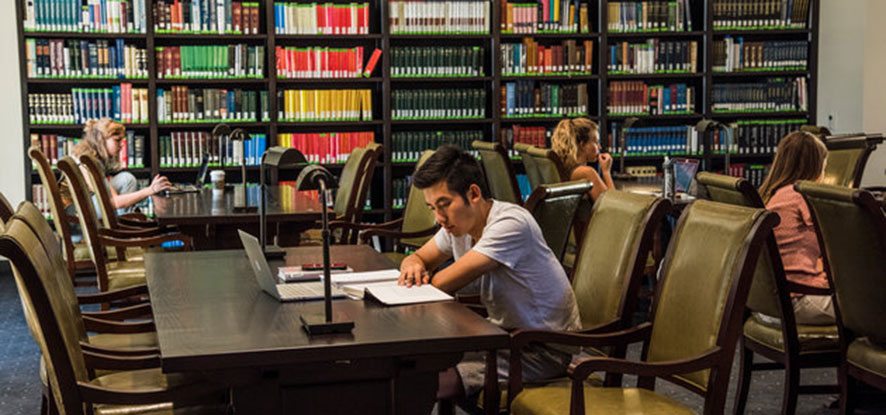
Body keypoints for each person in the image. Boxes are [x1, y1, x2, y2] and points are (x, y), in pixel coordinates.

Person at [398, 145, 581, 404]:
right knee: (410, 368)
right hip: (502, 336)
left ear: (473, 194)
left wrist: (421, 275)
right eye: (432, 208)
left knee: (421, 383)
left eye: (444, 205)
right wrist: (412, 265)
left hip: (542, 348)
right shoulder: (457, 224)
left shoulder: (509, 224)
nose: (439, 218)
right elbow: (418, 256)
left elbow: (441, 285)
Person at [758, 131, 833, 325]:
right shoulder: (800, 197)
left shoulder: (773, 195)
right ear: (815, 167)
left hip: (766, 305)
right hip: (798, 300)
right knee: (870, 309)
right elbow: (835, 240)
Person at [60, 119, 171, 236]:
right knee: (126, 183)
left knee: (126, 179)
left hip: (81, 206)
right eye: (117, 140)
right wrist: (150, 190)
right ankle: (123, 233)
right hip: (76, 217)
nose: (122, 145)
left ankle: (123, 228)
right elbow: (115, 202)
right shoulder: (87, 162)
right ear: (101, 141)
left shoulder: (89, 156)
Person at [550, 117, 614, 200]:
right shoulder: (586, 172)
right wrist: (606, 172)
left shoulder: (564, 164)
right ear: (582, 144)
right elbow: (612, 206)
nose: (600, 147)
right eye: (596, 142)